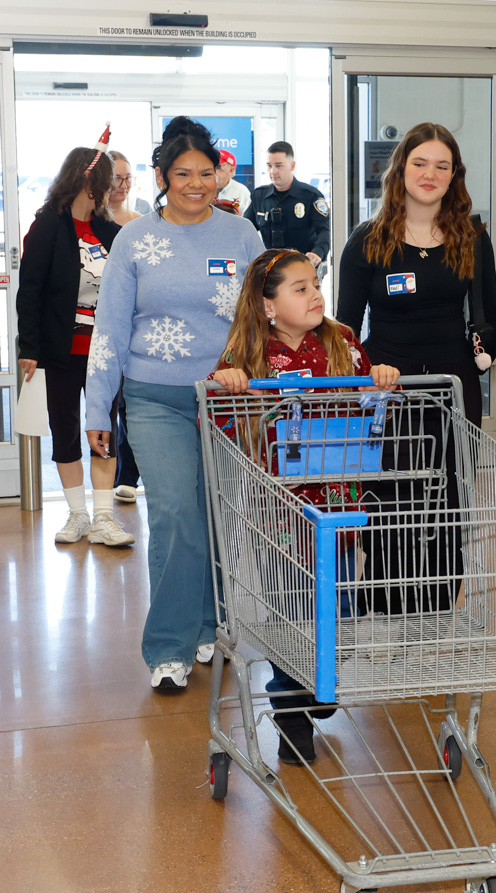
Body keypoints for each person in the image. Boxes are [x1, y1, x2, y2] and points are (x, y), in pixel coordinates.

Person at [85, 115, 264, 691]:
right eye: (182, 173)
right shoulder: (135, 239)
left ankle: (208, 624)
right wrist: (97, 408)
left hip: (227, 401)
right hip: (154, 396)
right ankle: (169, 646)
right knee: (174, 516)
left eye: (205, 173)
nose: (195, 184)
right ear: (162, 177)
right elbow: (109, 328)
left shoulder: (243, 236)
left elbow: (262, 318)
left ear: (221, 175)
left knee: (215, 519)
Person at [213, 248, 399, 763]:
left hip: (339, 501)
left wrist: (379, 379)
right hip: (278, 507)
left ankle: (319, 681)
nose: (315, 293)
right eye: (300, 287)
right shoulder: (247, 354)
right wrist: (229, 388)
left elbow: (369, 406)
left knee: (336, 601)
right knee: (289, 605)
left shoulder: (341, 341)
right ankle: (290, 709)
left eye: (316, 283)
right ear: (267, 305)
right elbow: (223, 425)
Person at [336, 121, 496, 432]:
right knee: (390, 480)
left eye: (442, 166)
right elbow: (345, 328)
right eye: (420, 164)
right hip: (386, 390)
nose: (430, 175)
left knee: (455, 481)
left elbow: (494, 312)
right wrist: (353, 383)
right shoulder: (367, 241)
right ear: (401, 168)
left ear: (454, 175)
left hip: (454, 387)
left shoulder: (472, 237)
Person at [17, 132, 134, 547]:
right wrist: (27, 348)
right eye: (109, 180)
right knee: (64, 428)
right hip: (59, 350)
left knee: (102, 427)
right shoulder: (49, 223)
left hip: (104, 352)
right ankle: (78, 515)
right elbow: (29, 289)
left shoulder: (109, 229)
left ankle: (105, 517)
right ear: (90, 182)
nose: (115, 188)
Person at [106, 150, 143, 503]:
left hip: (137, 333)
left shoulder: (139, 224)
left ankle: (128, 476)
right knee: (106, 407)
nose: (124, 184)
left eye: (129, 177)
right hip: (101, 330)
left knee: (130, 407)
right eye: (117, 177)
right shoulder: (89, 226)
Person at [244, 141, 330, 275]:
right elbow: (245, 229)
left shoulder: (311, 196)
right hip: (270, 271)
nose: (273, 171)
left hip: (302, 268)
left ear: (292, 165)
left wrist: (317, 253)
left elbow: (324, 231)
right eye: (269, 166)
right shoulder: (259, 196)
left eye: (278, 165)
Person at [108, 151, 143, 227]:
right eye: (117, 179)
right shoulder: (91, 219)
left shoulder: (140, 222)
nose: (124, 186)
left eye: (128, 178)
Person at [215, 148, 251, 214]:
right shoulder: (201, 188)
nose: (213, 170)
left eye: (218, 167)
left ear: (231, 170)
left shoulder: (241, 192)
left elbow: (246, 219)